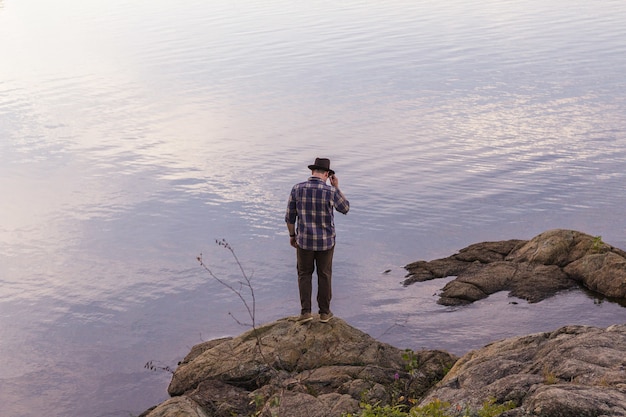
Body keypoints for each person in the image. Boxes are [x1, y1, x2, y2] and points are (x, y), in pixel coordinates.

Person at [285, 158, 350, 324]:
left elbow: (290, 217)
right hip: (326, 242)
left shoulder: (297, 189)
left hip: (304, 241)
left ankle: (306, 312)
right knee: (324, 274)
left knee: (304, 274)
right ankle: (324, 313)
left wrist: (292, 236)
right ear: (327, 174)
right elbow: (345, 208)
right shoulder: (330, 191)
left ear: (312, 172)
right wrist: (336, 187)